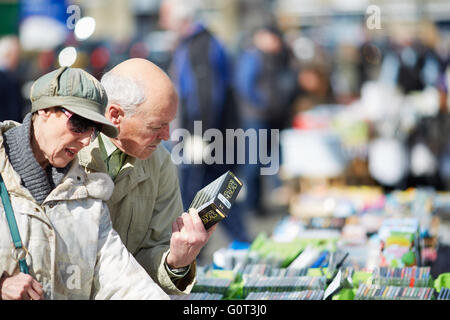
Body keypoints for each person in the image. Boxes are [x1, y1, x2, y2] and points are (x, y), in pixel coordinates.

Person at [0, 66, 169, 300]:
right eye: (79, 123)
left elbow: (123, 281)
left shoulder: (89, 199)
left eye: (94, 130)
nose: (86, 139)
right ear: (46, 110)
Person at [78, 58, 216, 295]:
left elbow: (151, 253)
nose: (167, 135)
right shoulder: (68, 154)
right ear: (115, 115)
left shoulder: (159, 161)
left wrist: (176, 261)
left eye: (169, 124)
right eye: (156, 126)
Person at [158, 0, 250, 243]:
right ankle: (205, 250)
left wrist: (200, 135)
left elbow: (206, 95)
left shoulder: (201, 46)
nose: (161, 21)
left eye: (165, 14)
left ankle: (207, 251)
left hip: (207, 138)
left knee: (208, 199)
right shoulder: (193, 44)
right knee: (210, 200)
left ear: (181, 17)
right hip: (206, 137)